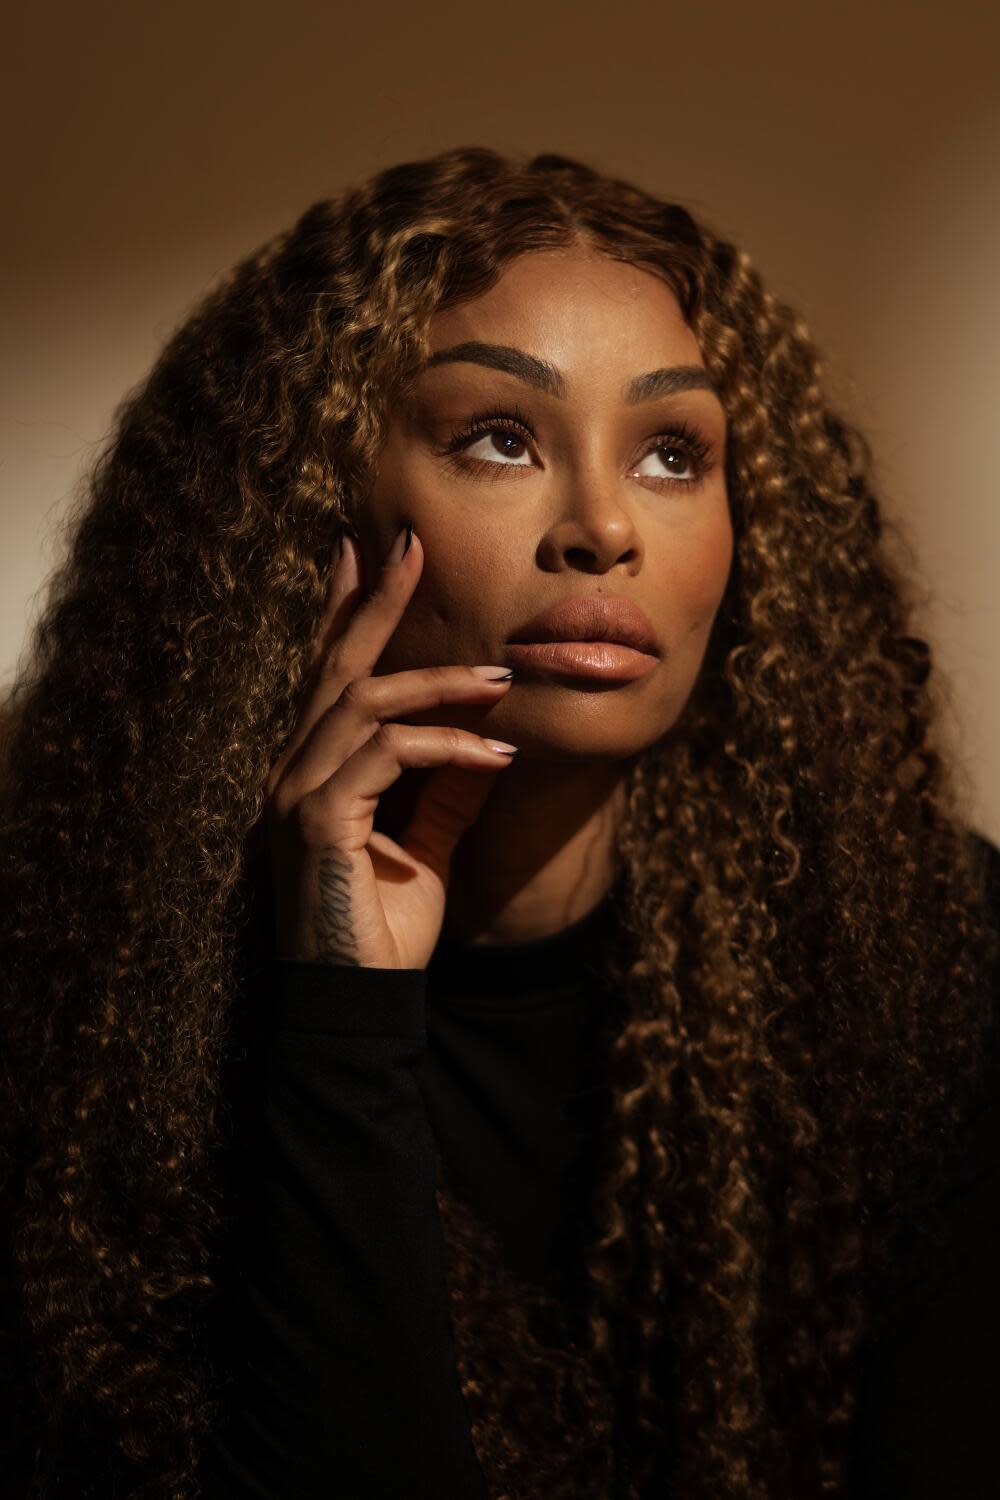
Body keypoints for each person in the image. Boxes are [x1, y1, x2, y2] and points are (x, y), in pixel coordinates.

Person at [0, 145, 996, 1500]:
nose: (600, 528)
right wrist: (338, 1011)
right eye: (500, 439)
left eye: (669, 453)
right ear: (316, 513)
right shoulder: (76, 995)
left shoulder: (936, 967)